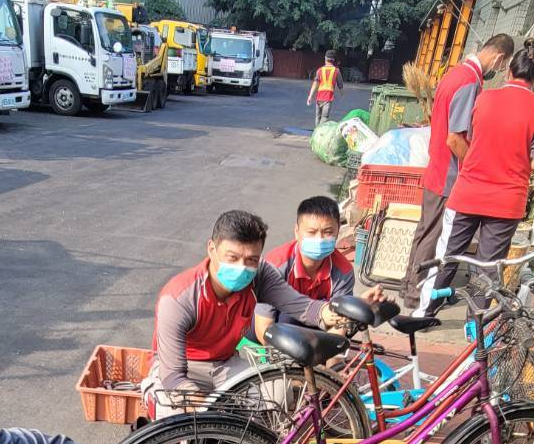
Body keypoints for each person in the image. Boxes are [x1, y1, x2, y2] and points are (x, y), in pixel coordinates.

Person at [143, 209, 368, 416]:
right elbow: (173, 376)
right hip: (183, 368)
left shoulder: (259, 275)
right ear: (212, 249)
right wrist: (205, 407)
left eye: (251, 259)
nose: (243, 267)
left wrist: (340, 312)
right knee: (177, 410)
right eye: (232, 257)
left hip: (225, 363)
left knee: (278, 394)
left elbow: (303, 307)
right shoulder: (178, 297)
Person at [413, 39, 534, 316]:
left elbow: (466, 139)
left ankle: (424, 312)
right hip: (507, 201)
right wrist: (514, 165)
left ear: (509, 71)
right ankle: (473, 325)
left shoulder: (484, 98)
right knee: (487, 266)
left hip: (468, 192)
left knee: (447, 256)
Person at [400, 34, 515, 307]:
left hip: (437, 168)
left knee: (425, 232)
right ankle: (418, 296)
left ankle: (409, 287)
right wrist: (474, 166)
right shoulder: (469, 82)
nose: (499, 70)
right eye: (503, 64)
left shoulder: (455, 75)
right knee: (436, 238)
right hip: (448, 175)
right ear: (500, 58)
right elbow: (455, 138)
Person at [257, 195, 356, 326]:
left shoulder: (344, 271)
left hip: (319, 327)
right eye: (312, 232)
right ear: (297, 232)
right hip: (278, 326)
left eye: (328, 232)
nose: (319, 239)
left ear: (338, 231)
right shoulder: (275, 264)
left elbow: (339, 325)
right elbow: (263, 325)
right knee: (286, 318)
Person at [306, 50, 343, 126]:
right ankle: (320, 132)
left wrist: (310, 96)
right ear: (333, 60)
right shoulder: (336, 71)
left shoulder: (320, 70)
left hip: (319, 97)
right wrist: (341, 94)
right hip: (328, 98)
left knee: (318, 117)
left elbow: (315, 83)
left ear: (325, 58)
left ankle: (316, 132)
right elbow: (340, 85)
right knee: (324, 117)